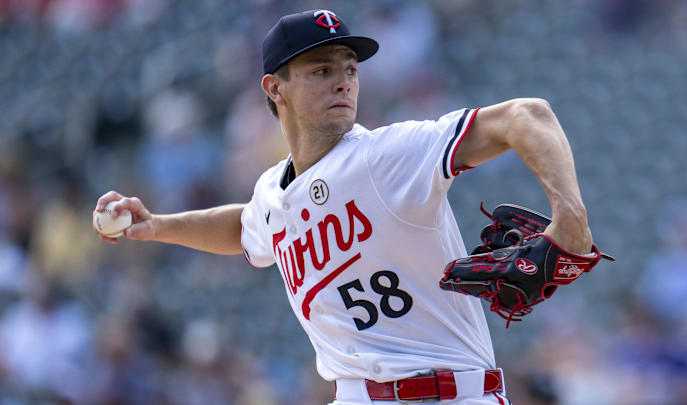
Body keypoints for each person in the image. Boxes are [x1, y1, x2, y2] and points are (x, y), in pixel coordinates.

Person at [94, 9, 595, 405]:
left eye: (350, 69)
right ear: (274, 88)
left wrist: (570, 217)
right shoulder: (273, 190)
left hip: (452, 393)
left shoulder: (386, 156)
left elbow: (528, 115)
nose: (344, 81)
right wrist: (157, 224)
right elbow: (246, 228)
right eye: (321, 69)